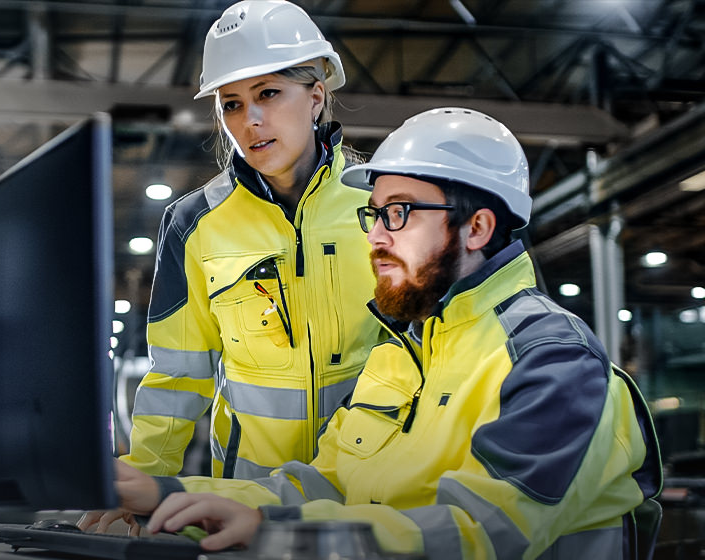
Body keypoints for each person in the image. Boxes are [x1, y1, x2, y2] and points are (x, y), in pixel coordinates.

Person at [83, 108, 662, 558]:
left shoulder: (553, 363)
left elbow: (480, 532)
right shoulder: (401, 357)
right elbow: (323, 486)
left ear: (478, 227)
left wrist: (272, 532)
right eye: (374, 213)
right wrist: (159, 493)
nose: (376, 236)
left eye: (400, 212)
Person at [123, 0, 382, 481]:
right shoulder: (195, 222)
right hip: (249, 500)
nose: (250, 120)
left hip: (373, 491)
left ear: (317, 97)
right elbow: (179, 373)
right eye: (232, 104)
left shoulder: (384, 204)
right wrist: (145, 476)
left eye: (269, 93)